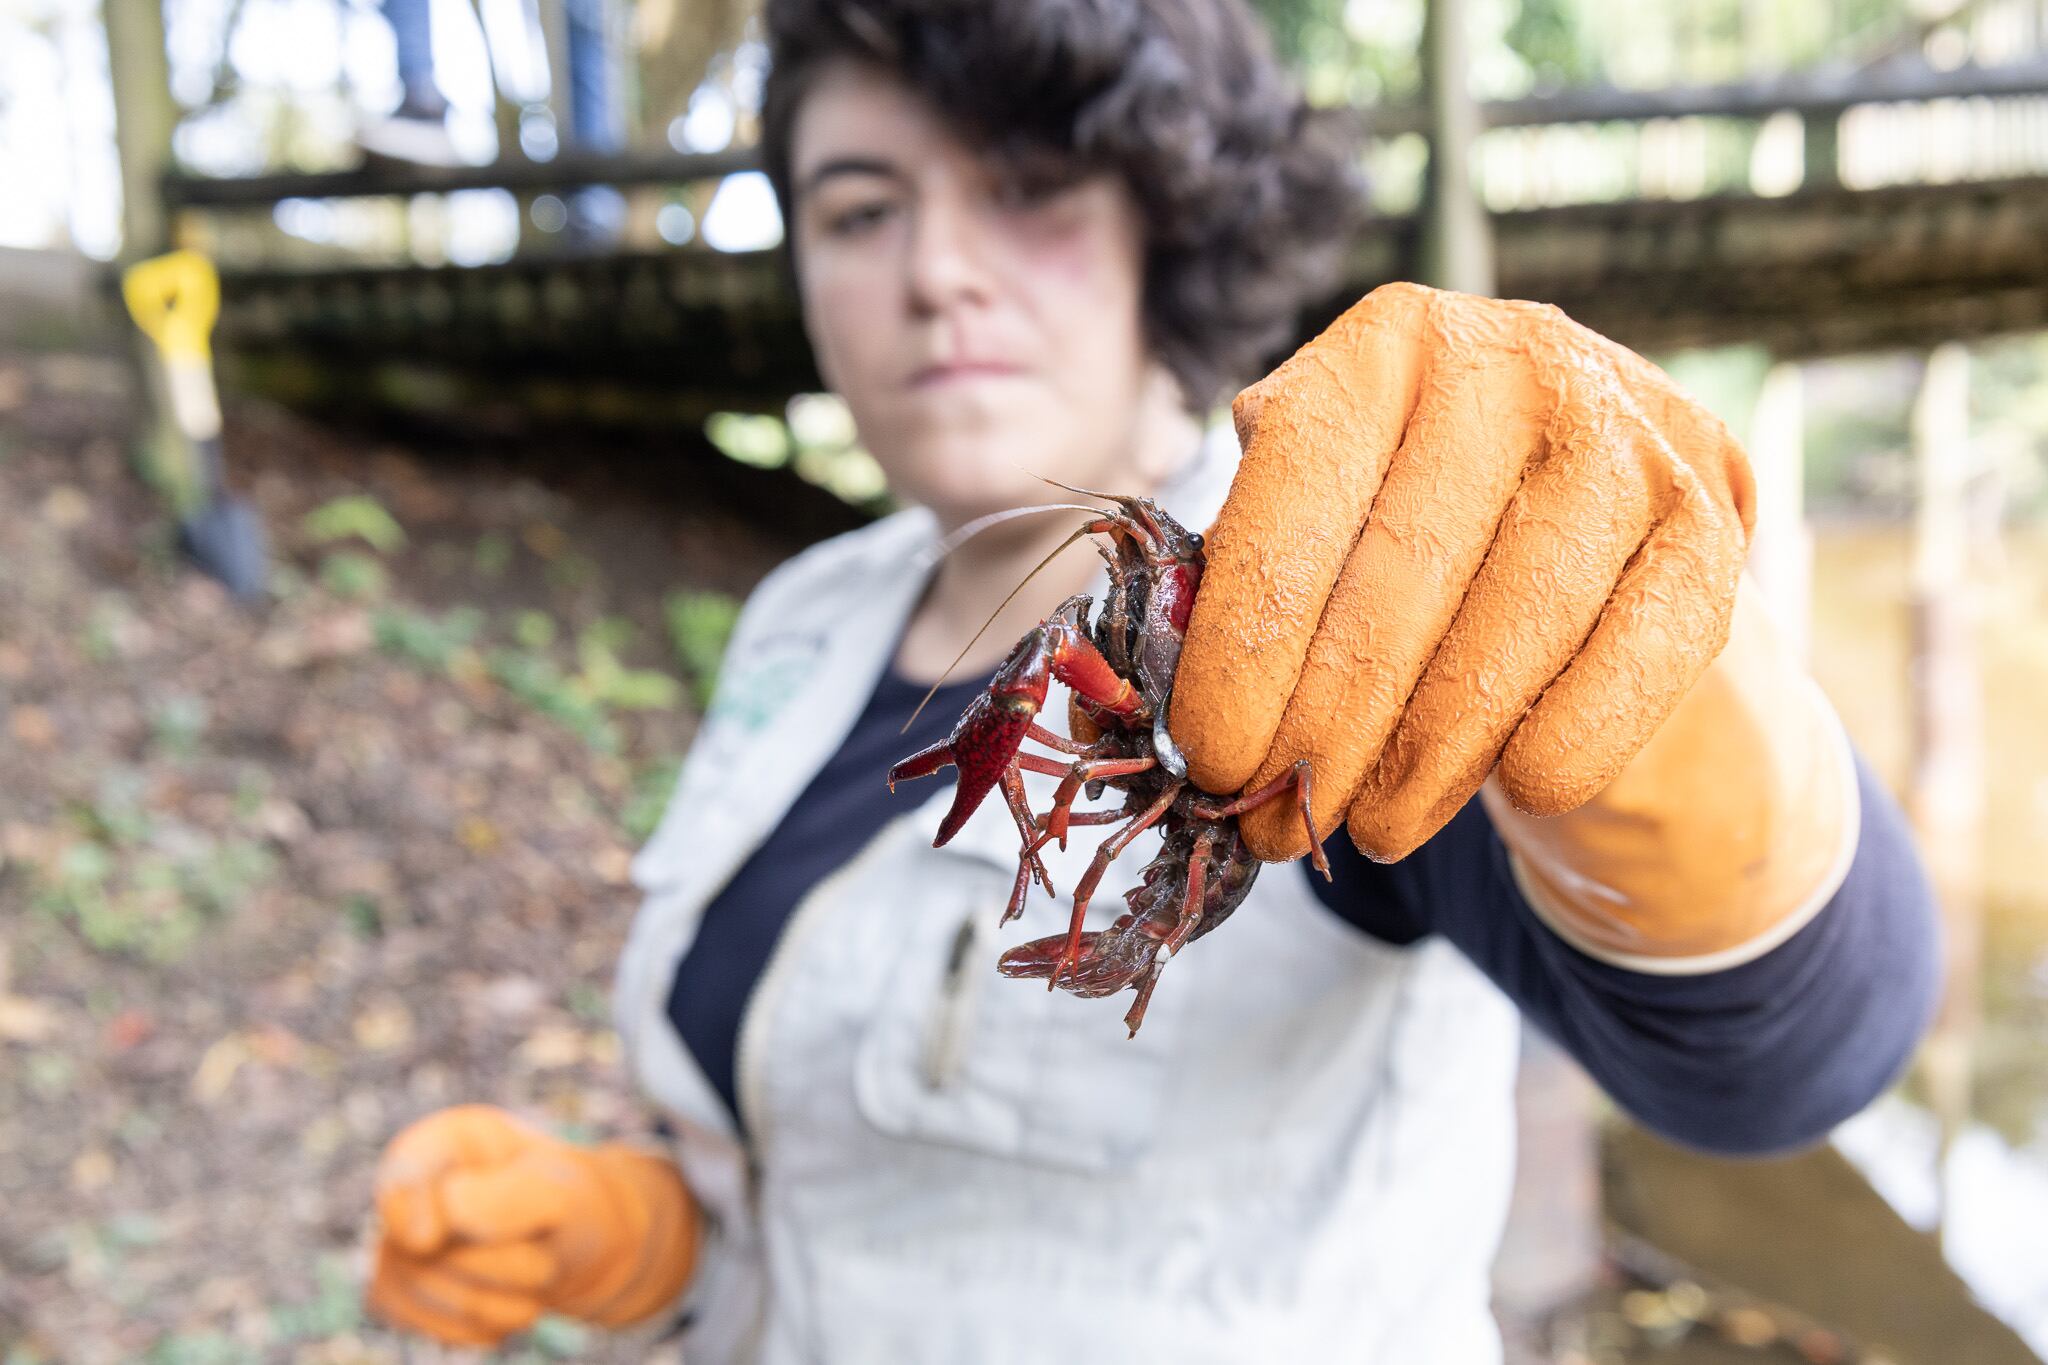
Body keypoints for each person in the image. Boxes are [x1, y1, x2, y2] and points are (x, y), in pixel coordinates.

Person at [362, 1, 1942, 1359]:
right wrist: (646, 1236)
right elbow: (818, 1159)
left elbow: (1783, 1054)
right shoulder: (800, 618)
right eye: (859, 210)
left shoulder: (1351, 593)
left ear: (1161, 229)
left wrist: (1673, 721)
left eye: (1029, 189)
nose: (935, 273)